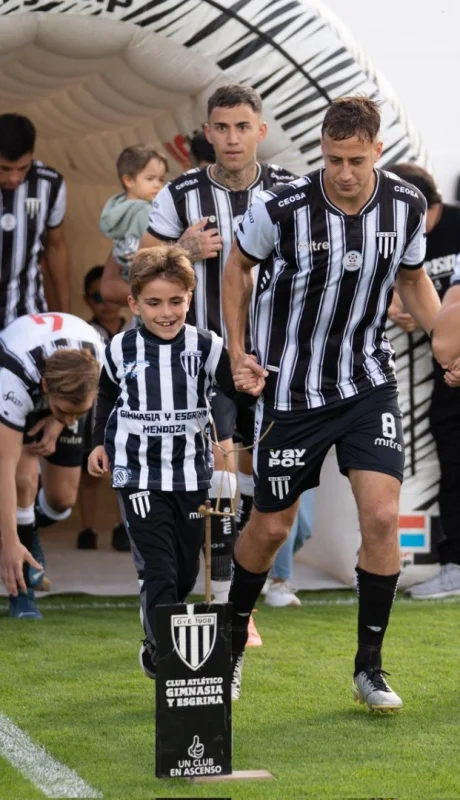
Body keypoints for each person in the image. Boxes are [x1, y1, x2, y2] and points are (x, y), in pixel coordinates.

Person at [222, 95, 446, 709]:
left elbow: (412, 280)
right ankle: (230, 646)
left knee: (383, 517)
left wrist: (446, 347)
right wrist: (238, 351)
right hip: (291, 391)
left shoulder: (406, 205)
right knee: (272, 527)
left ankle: (369, 668)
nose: (344, 173)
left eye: (355, 160)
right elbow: (237, 268)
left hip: (368, 384)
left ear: (378, 150)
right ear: (322, 150)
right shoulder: (282, 207)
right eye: (332, 159)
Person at [138, 84, 297, 613]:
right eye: (222, 128)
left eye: (242, 127)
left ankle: (258, 585)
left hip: (271, 359)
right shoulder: (180, 193)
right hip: (205, 359)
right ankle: (230, 603)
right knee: (222, 476)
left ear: (261, 131)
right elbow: (139, 269)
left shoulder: (289, 190)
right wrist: (181, 249)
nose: (232, 138)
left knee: (262, 479)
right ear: (208, 132)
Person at [87, 245, 260, 678]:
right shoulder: (119, 348)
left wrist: (249, 393)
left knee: (184, 570)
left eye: (175, 301)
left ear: (190, 298)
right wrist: (98, 443)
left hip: (191, 474)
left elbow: (231, 393)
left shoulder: (208, 346)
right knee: (158, 568)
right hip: (137, 473)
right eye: (154, 303)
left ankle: (160, 622)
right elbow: (106, 395)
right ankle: (162, 653)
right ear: (134, 304)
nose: (166, 312)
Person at [386, 164, 460, 599]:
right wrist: (402, 307)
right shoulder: (398, 238)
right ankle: (455, 562)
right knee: (451, 457)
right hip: (448, 371)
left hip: (450, 355)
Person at [0, 312, 103, 616]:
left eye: (78, 413)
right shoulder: (14, 378)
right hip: (19, 382)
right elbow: (4, 470)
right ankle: (22, 594)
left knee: (61, 500)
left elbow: (74, 407)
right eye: (65, 412)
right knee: (22, 481)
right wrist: (9, 543)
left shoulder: (102, 362)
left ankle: (27, 526)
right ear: (46, 388)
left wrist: (59, 421)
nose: (72, 420)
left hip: (64, 384)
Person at [76, 266, 130, 551]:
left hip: (128, 413)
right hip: (93, 414)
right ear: (86, 299)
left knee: (125, 470)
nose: (105, 303)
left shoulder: (135, 332)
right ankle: (87, 528)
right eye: (97, 297)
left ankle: (124, 527)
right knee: (90, 473)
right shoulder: (83, 334)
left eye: (109, 296)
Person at [0, 113, 70, 325]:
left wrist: (65, 315)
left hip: (26, 312)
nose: (14, 177)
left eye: (23, 168)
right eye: (4, 168)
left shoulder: (50, 184)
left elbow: (55, 247)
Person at [99, 145, 168, 308]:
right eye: (150, 179)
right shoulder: (147, 212)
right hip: (148, 276)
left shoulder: (115, 208)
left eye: (161, 179)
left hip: (127, 276)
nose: (157, 185)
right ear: (128, 180)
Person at [264, 490, 314, 608]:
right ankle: (278, 585)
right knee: (287, 528)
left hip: (305, 478)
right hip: (280, 479)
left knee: (304, 530)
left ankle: (261, 570)